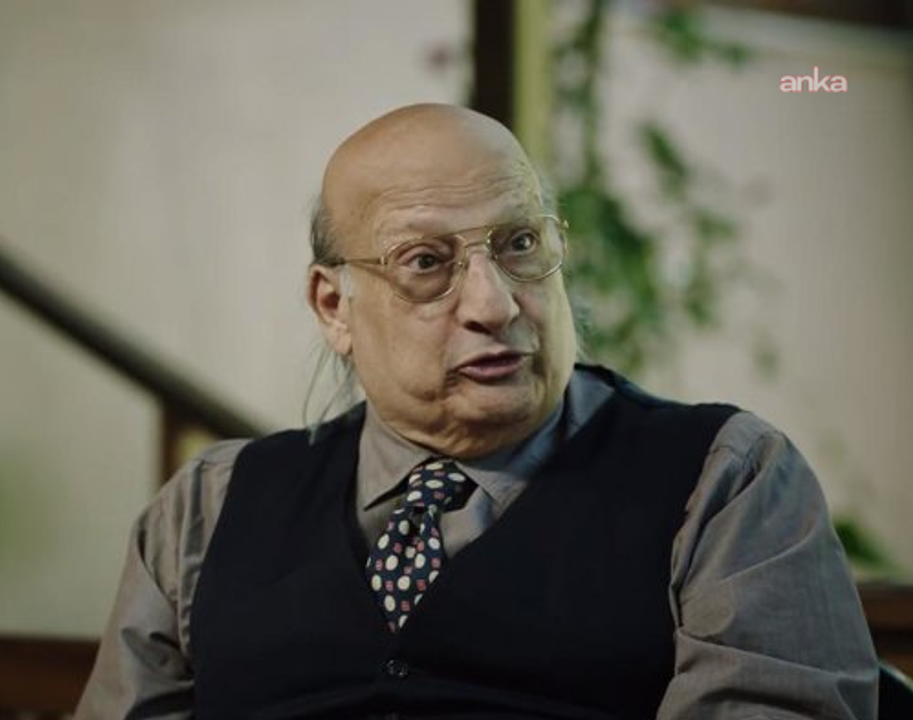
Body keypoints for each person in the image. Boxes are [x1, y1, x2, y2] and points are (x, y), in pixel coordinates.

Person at [74, 104, 878, 719]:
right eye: (426, 263)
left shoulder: (725, 482)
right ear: (334, 306)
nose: (494, 305)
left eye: (520, 244)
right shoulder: (207, 510)